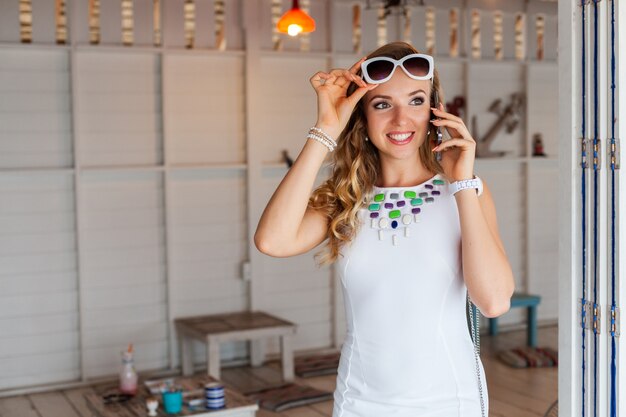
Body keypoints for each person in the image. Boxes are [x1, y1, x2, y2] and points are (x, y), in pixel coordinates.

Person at [254, 41, 515, 417]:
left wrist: (460, 183)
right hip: (360, 402)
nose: (401, 120)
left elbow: (493, 301)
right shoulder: (344, 199)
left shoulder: (465, 191)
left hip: (450, 401)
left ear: (435, 110)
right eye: (382, 104)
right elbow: (272, 241)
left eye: (415, 101)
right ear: (361, 115)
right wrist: (325, 129)